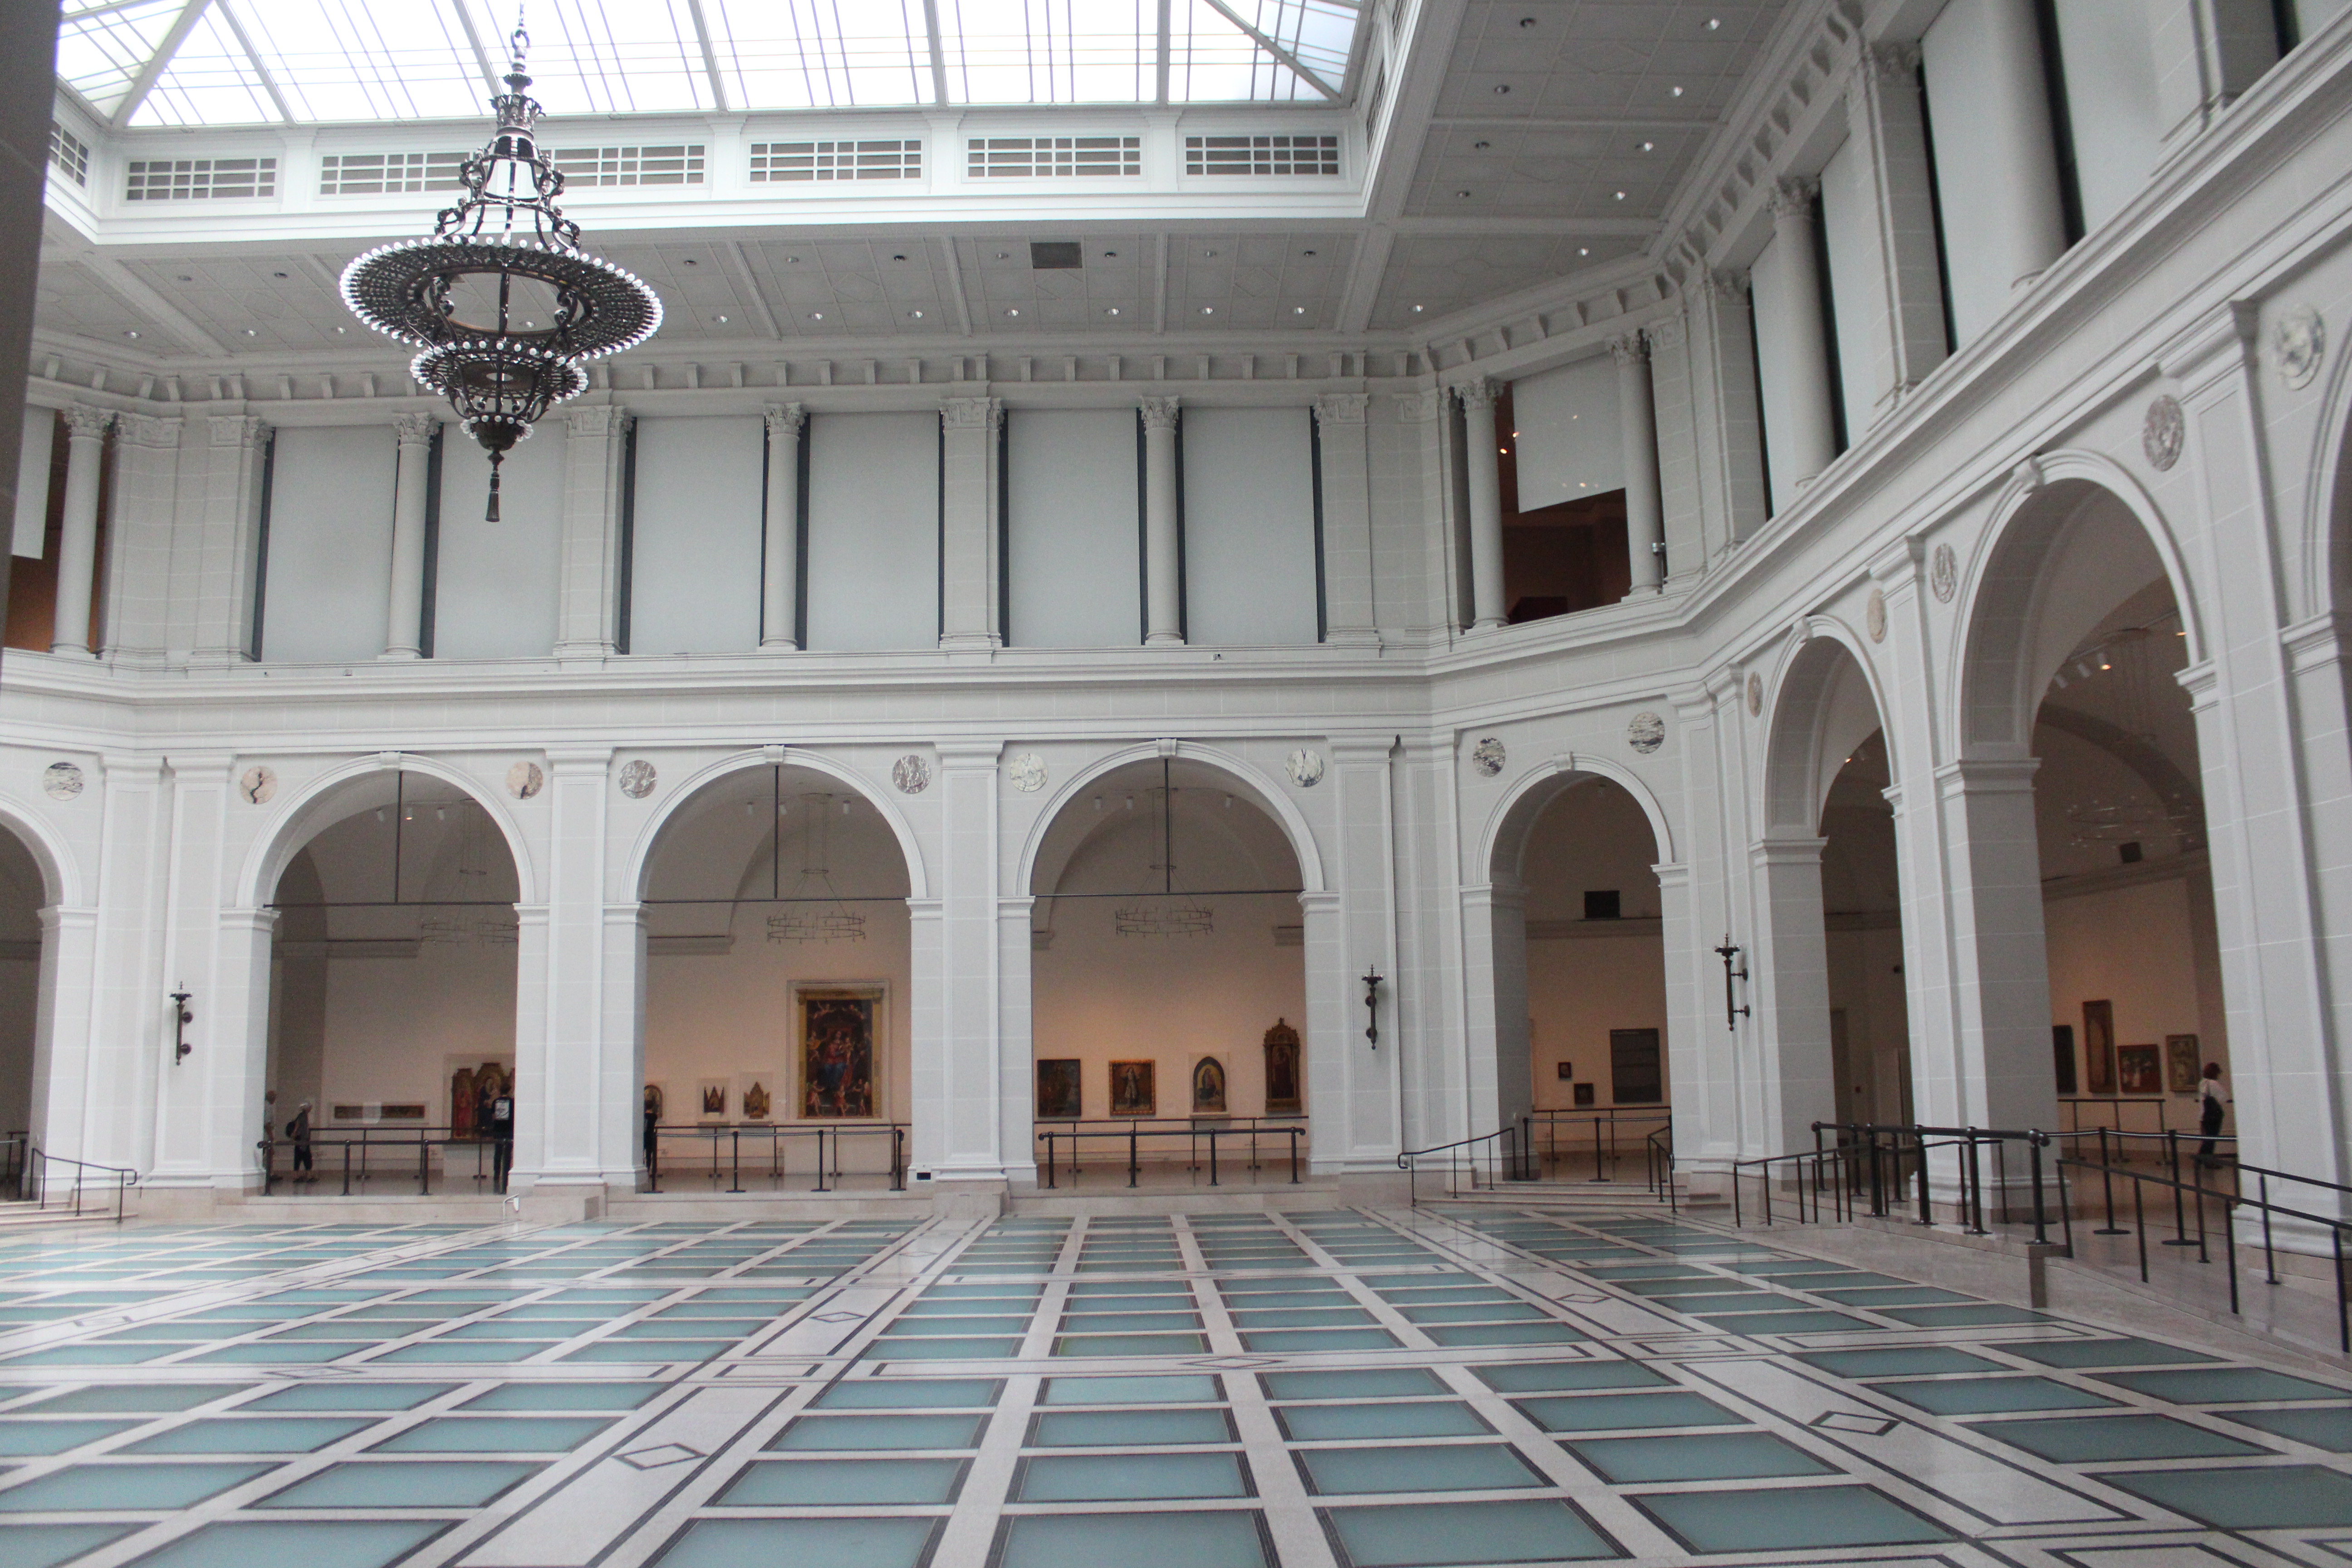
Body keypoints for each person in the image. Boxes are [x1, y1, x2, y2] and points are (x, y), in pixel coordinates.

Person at [2196, 1063, 2229, 1168]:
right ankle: (2204, 1160)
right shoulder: (2213, 1084)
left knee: (2207, 1139)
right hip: (2213, 1115)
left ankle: (2202, 1160)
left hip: (2204, 1115)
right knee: (2211, 1139)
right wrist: (2217, 1103)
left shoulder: (2202, 1083)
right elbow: (2224, 1096)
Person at [488, 1093, 514, 1193]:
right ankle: (506, 1173)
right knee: (507, 1154)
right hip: (508, 1130)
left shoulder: (496, 1101)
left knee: (498, 1153)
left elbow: (493, 1116)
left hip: (498, 1130)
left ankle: (497, 1173)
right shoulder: (511, 1102)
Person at [285, 1100, 313, 1184]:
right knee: (306, 1158)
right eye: (310, 1107)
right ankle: (307, 1176)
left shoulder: (303, 1116)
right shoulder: (302, 1116)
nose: (311, 1108)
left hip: (302, 1140)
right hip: (302, 1141)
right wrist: (294, 1135)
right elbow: (298, 1126)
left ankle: (298, 1176)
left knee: (299, 1158)